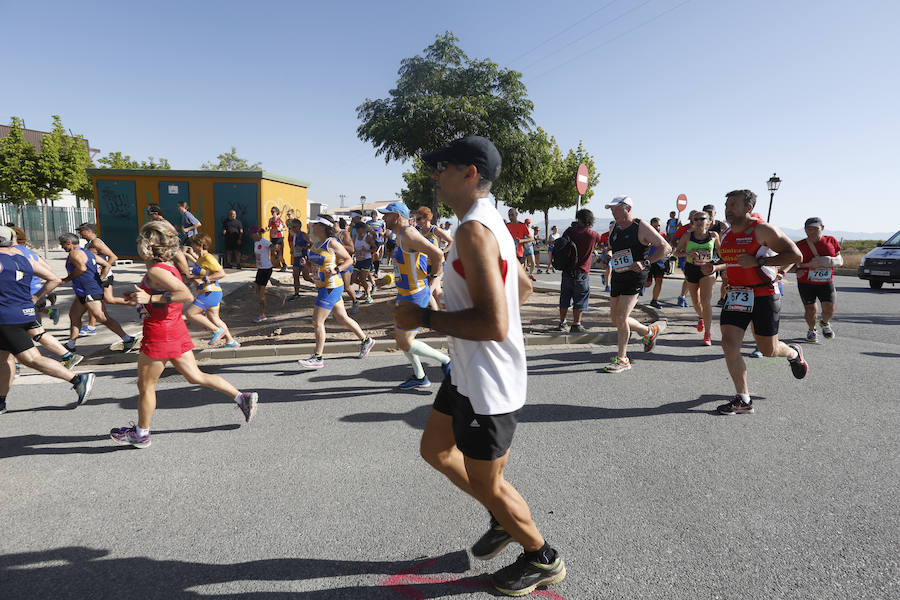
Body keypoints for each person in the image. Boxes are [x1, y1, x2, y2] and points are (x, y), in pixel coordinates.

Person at [398, 136, 565, 597]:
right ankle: (502, 518)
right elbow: (525, 286)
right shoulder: (481, 224)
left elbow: (494, 323)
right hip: (467, 370)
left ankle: (541, 556)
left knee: (487, 482)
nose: (434, 174)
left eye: (442, 166)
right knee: (435, 450)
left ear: (470, 172)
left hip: (489, 381)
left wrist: (426, 318)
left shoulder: (475, 230)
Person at [107, 221, 258, 448]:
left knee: (146, 387)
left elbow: (184, 294)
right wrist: (139, 299)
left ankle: (141, 434)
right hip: (173, 330)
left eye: (140, 239)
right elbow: (165, 298)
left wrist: (149, 299)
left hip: (160, 334)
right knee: (195, 376)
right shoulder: (165, 267)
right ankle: (241, 397)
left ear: (148, 244)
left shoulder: (157, 270)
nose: (137, 243)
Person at [702, 189, 809, 415]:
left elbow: (795, 255)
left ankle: (793, 354)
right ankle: (743, 398)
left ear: (748, 208)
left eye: (733, 205)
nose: (728, 209)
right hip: (736, 296)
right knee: (729, 345)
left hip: (764, 295)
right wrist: (715, 265)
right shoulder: (728, 234)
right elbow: (732, 260)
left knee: (768, 349)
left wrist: (759, 261)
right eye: (727, 204)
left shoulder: (762, 229)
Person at [0, 226, 95, 414]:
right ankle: (1, 401)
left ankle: (77, 379)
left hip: (6, 317)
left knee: (31, 358)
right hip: (25, 312)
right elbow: (53, 278)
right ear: (11, 240)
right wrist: (36, 298)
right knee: (3, 358)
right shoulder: (23, 258)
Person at [381, 201, 450, 389]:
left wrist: (435, 279)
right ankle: (420, 376)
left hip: (415, 294)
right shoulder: (400, 236)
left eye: (386, 215)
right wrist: (387, 280)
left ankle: (445, 361)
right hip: (405, 294)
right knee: (403, 339)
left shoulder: (409, 234)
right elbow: (404, 266)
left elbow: (438, 254)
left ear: (396, 217)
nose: (383, 218)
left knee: (404, 341)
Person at [599, 196, 670, 373]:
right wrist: (607, 255)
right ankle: (648, 331)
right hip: (618, 275)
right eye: (611, 209)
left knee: (622, 317)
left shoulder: (641, 226)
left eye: (616, 209)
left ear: (627, 209)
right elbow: (610, 247)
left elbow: (665, 247)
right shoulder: (616, 227)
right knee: (615, 318)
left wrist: (646, 262)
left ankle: (623, 359)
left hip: (635, 277)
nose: (612, 212)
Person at [296, 214, 375, 369]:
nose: (312, 226)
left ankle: (318, 357)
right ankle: (366, 340)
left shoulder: (331, 243)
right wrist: (306, 265)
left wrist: (336, 269)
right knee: (342, 318)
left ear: (323, 227)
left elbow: (349, 259)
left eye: (316, 224)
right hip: (322, 286)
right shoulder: (315, 244)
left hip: (331, 286)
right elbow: (315, 266)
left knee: (317, 321)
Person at [11, 228, 82, 369]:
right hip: (34, 294)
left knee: (30, 333)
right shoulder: (28, 252)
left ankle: (15, 365)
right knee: (31, 332)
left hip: (23, 298)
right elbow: (47, 268)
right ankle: (67, 356)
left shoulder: (9, 254)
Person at [58, 233, 138, 354]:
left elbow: (82, 268)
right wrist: (101, 277)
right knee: (74, 316)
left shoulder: (74, 253)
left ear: (69, 242)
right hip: (83, 291)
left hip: (88, 291)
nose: (62, 247)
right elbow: (106, 264)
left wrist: (66, 279)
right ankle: (71, 344)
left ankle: (128, 339)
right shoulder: (88, 252)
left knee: (102, 318)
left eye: (62, 244)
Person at [184, 234, 239, 348]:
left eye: (193, 244)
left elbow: (221, 273)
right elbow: (199, 274)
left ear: (201, 245)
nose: (192, 246)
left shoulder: (208, 258)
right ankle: (230, 341)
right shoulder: (201, 259)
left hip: (210, 292)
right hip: (209, 292)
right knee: (214, 318)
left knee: (190, 314)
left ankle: (216, 331)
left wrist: (204, 279)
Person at [674, 211, 720, 345]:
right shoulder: (687, 236)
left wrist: (716, 262)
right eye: (696, 219)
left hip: (707, 270)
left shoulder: (713, 235)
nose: (699, 221)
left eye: (702, 218)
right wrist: (688, 254)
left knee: (706, 301)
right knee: (695, 301)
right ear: (693, 221)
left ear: (708, 221)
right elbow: (676, 252)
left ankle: (707, 334)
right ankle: (701, 316)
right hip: (691, 269)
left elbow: (721, 251)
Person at [795, 217, 842, 342]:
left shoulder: (831, 241)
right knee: (811, 310)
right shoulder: (799, 245)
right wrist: (800, 269)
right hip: (806, 283)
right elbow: (792, 264)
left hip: (826, 282)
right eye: (809, 229)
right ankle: (812, 330)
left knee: (830, 309)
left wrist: (830, 261)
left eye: (815, 229)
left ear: (822, 228)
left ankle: (825, 323)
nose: (812, 232)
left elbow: (840, 260)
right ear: (805, 230)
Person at [557, 209, 603, 333]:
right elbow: (600, 243)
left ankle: (562, 323)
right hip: (582, 272)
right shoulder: (593, 235)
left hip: (567, 270)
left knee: (565, 297)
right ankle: (576, 324)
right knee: (580, 298)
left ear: (578, 219)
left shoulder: (569, 231)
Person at [76, 222, 118, 335]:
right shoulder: (88, 244)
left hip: (104, 277)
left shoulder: (96, 242)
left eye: (81, 231)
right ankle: (92, 326)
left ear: (89, 231)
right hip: (96, 277)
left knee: (107, 300)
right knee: (94, 300)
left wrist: (103, 271)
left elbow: (113, 257)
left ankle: (135, 302)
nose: (79, 233)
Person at [415, 206, 454, 308]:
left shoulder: (435, 230)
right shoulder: (418, 231)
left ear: (426, 218)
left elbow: (451, 241)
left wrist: (442, 252)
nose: (417, 221)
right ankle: (444, 313)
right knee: (436, 293)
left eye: (419, 219)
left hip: (438, 265)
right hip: (425, 266)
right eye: (416, 219)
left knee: (428, 292)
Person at [249, 225, 286, 322]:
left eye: (252, 234)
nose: (251, 236)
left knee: (261, 294)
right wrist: (248, 257)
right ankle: (279, 296)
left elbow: (275, 248)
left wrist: (277, 258)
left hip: (266, 269)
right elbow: (257, 253)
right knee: (257, 290)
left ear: (257, 233)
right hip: (260, 269)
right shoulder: (256, 242)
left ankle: (262, 315)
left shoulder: (264, 242)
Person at [672, 211, 696, 307]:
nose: (695, 220)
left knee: (691, 278)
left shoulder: (702, 229)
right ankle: (682, 297)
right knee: (688, 277)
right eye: (694, 218)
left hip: (697, 258)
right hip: (684, 257)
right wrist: (680, 249)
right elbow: (673, 240)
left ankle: (683, 297)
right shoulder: (683, 229)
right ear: (690, 218)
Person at [351, 221, 377, 305]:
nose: (357, 230)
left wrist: (367, 250)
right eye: (356, 229)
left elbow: (375, 248)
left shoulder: (368, 237)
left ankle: (369, 297)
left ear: (363, 229)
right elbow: (353, 249)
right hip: (358, 261)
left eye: (359, 228)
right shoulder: (355, 237)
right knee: (353, 279)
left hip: (366, 260)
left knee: (362, 279)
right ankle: (367, 287)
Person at [646, 218, 668, 309]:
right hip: (648, 262)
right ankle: (639, 289)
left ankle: (654, 300)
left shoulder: (663, 235)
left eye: (658, 226)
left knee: (659, 281)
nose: (657, 228)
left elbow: (666, 247)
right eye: (654, 226)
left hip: (659, 262)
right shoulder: (646, 235)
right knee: (648, 283)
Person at [288, 219, 310, 300]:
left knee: (306, 277)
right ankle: (296, 293)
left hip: (304, 258)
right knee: (295, 275)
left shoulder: (303, 235)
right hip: (296, 258)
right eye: (292, 227)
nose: (293, 228)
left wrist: (303, 248)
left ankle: (318, 285)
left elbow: (312, 244)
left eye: (294, 227)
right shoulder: (293, 235)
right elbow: (293, 245)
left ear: (299, 227)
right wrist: (292, 250)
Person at [367, 210, 387, 277]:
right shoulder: (368, 222)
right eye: (372, 216)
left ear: (376, 216)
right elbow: (366, 230)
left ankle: (376, 271)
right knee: (371, 255)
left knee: (376, 254)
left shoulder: (381, 222)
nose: (373, 218)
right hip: (370, 241)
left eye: (374, 216)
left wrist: (382, 234)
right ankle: (371, 266)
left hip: (378, 240)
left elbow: (384, 230)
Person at [267, 206, 287, 272]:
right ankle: (284, 264)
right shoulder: (270, 219)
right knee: (277, 254)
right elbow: (269, 226)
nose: (272, 213)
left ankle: (280, 265)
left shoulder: (280, 219)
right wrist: (267, 228)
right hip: (273, 237)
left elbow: (286, 228)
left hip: (279, 237)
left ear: (277, 212)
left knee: (277, 251)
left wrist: (281, 229)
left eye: (273, 212)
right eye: (271, 212)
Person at [598, 221, 613, 292]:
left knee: (612, 271)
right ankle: (607, 286)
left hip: (616, 254)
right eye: (610, 227)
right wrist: (603, 247)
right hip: (606, 254)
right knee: (609, 269)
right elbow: (599, 244)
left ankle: (605, 277)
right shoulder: (604, 235)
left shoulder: (619, 234)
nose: (611, 228)